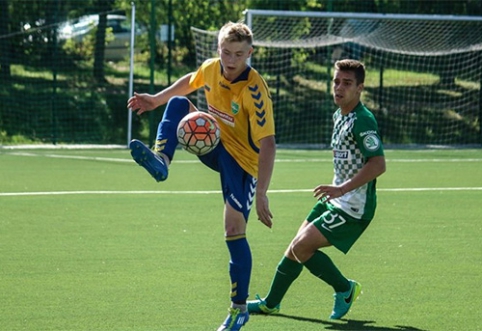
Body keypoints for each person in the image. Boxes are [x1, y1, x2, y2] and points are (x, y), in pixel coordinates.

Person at [127, 22, 276, 331]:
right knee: (180, 103)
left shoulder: (254, 90)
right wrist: (156, 99)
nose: (231, 60)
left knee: (233, 229)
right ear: (218, 50)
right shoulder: (212, 69)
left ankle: (239, 309)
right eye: (225, 52)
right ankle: (161, 160)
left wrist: (262, 192)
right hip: (215, 143)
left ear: (250, 53)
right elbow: (190, 81)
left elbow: (268, 144)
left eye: (238, 54)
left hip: (243, 164)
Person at [247, 59, 386, 320]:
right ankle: (270, 303)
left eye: (347, 83)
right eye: (336, 82)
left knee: (301, 247)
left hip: (354, 207)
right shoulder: (339, 115)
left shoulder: (363, 121)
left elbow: (378, 164)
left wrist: (341, 188)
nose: (339, 88)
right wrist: (338, 190)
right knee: (295, 247)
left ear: (360, 88)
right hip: (337, 199)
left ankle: (345, 289)